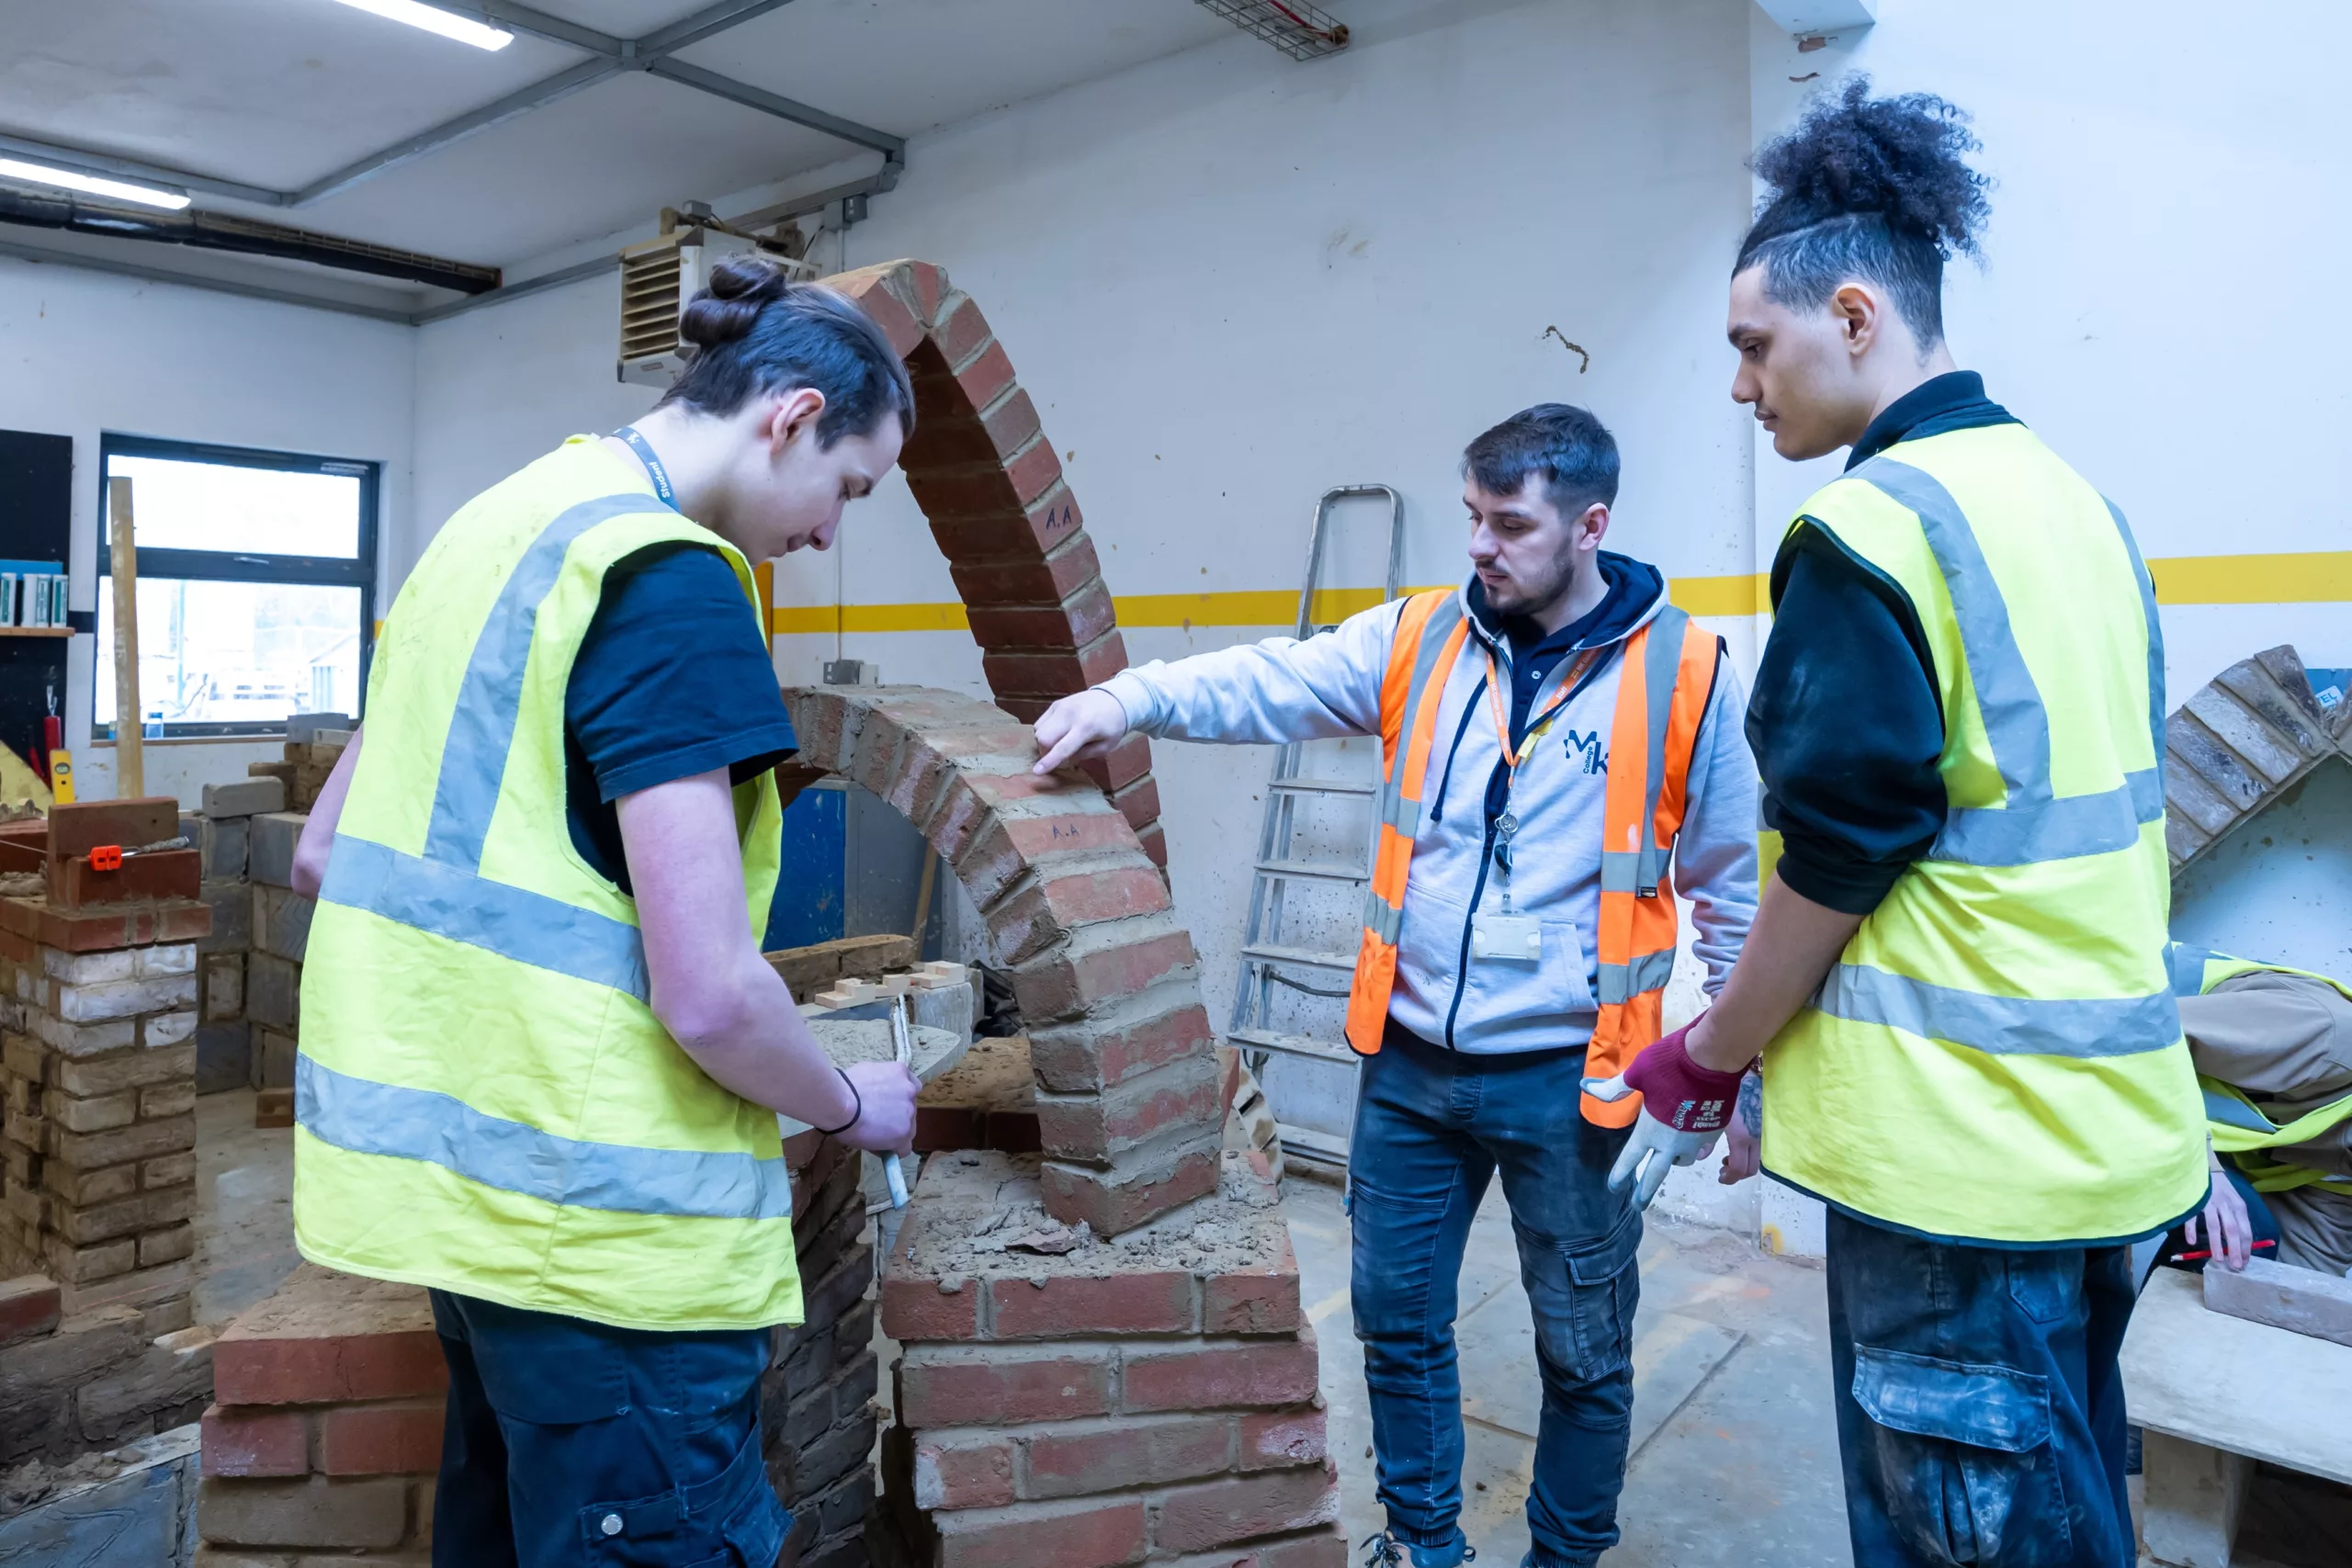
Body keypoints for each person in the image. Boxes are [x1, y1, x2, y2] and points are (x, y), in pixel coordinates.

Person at [1596, 81, 2208, 1567]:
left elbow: (1842, 852)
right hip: (2109, 1148)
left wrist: (1713, 1051)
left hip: (1959, 1178)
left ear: (1854, 317)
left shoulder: (1873, 532)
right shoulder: (2073, 505)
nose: (1743, 388)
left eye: (1754, 347)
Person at [1032, 403, 1758, 1568]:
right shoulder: (1418, 638)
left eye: (1508, 523)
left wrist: (1733, 1082)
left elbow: (1732, 890)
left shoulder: (1686, 671)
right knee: (1397, 1323)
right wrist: (1132, 699)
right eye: (1472, 515)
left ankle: (1563, 1557)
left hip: (1575, 1081)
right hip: (1412, 1068)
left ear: (1590, 525)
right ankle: (1420, 1545)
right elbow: (1271, 680)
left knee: (1582, 1350)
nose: (1477, 544)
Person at [284, 257, 923, 1568]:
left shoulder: (496, 527)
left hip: (472, 1227)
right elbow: (710, 992)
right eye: (850, 487)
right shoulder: (670, 578)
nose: (829, 530)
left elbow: (324, 849)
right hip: (610, 1252)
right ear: (792, 416)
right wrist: (855, 1102)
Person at [2163, 943, 2352, 1277]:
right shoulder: (2326, 1038)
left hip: (2134, 1118)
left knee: (2247, 1261)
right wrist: (2199, 1166)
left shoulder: (2345, 1172)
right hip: (2078, 1047)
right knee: (2244, 1228)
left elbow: (2306, 1273)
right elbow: (2139, 1046)